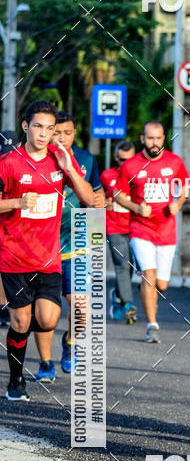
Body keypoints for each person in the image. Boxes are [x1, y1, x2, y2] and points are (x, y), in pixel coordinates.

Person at [0, 100, 94, 400]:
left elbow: (90, 200)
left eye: (49, 129)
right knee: (21, 321)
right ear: (26, 126)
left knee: (48, 319)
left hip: (49, 256)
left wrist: (70, 169)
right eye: (38, 126)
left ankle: (42, 349)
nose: (43, 134)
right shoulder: (8, 163)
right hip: (14, 255)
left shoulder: (59, 160)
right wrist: (16, 203)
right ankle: (16, 381)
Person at [33, 111, 104, 382]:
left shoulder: (86, 159)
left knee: (81, 308)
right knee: (44, 311)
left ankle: (70, 342)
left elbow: (98, 197)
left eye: (68, 132)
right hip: (41, 245)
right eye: (56, 132)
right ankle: (45, 362)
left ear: (75, 133)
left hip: (77, 243)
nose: (61, 138)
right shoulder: (39, 159)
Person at [114, 121, 189, 343]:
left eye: (158, 138)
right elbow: (118, 193)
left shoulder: (174, 162)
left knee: (161, 284)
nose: (154, 143)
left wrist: (179, 202)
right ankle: (152, 325)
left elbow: (184, 185)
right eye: (150, 138)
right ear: (142, 139)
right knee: (149, 274)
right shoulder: (131, 165)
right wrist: (137, 208)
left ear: (163, 138)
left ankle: (146, 287)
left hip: (167, 230)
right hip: (141, 228)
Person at [99, 140, 137, 323]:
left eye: (130, 159)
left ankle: (119, 296)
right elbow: (96, 195)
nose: (126, 164)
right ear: (116, 158)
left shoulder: (140, 175)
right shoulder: (107, 176)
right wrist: (102, 202)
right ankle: (129, 304)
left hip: (136, 227)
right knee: (122, 264)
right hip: (113, 226)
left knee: (132, 267)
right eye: (122, 160)